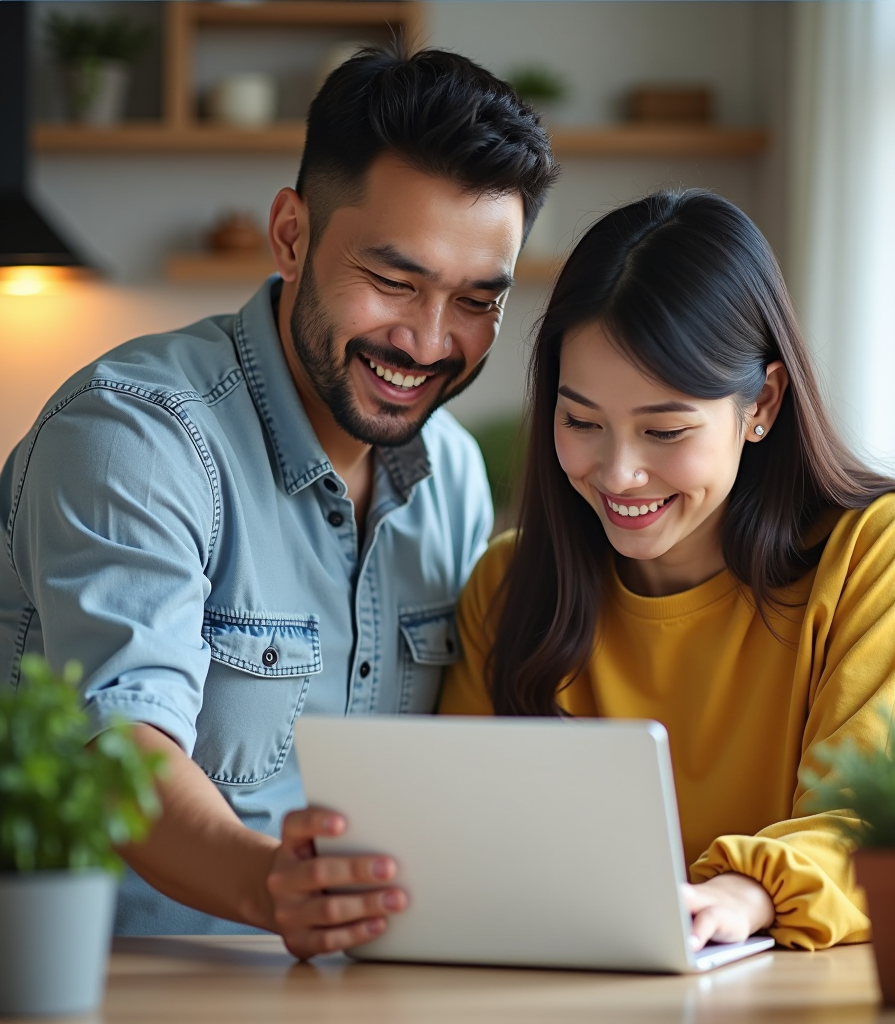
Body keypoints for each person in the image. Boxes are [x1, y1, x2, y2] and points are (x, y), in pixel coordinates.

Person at [0, 44, 557, 957]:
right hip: (114, 984)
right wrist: (273, 889)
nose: (428, 342)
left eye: (475, 301)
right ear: (291, 235)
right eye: (394, 281)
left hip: (356, 985)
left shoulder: (452, 473)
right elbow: (121, 745)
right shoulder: (135, 437)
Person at [441, 189, 895, 953]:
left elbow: (875, 820)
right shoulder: (509, 585)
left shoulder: (867, 551)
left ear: (762, 404)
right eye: (581, 421)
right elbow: (458, 833)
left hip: (788, 986)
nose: (619, 473)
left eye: (665, 430)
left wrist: (745, 894)